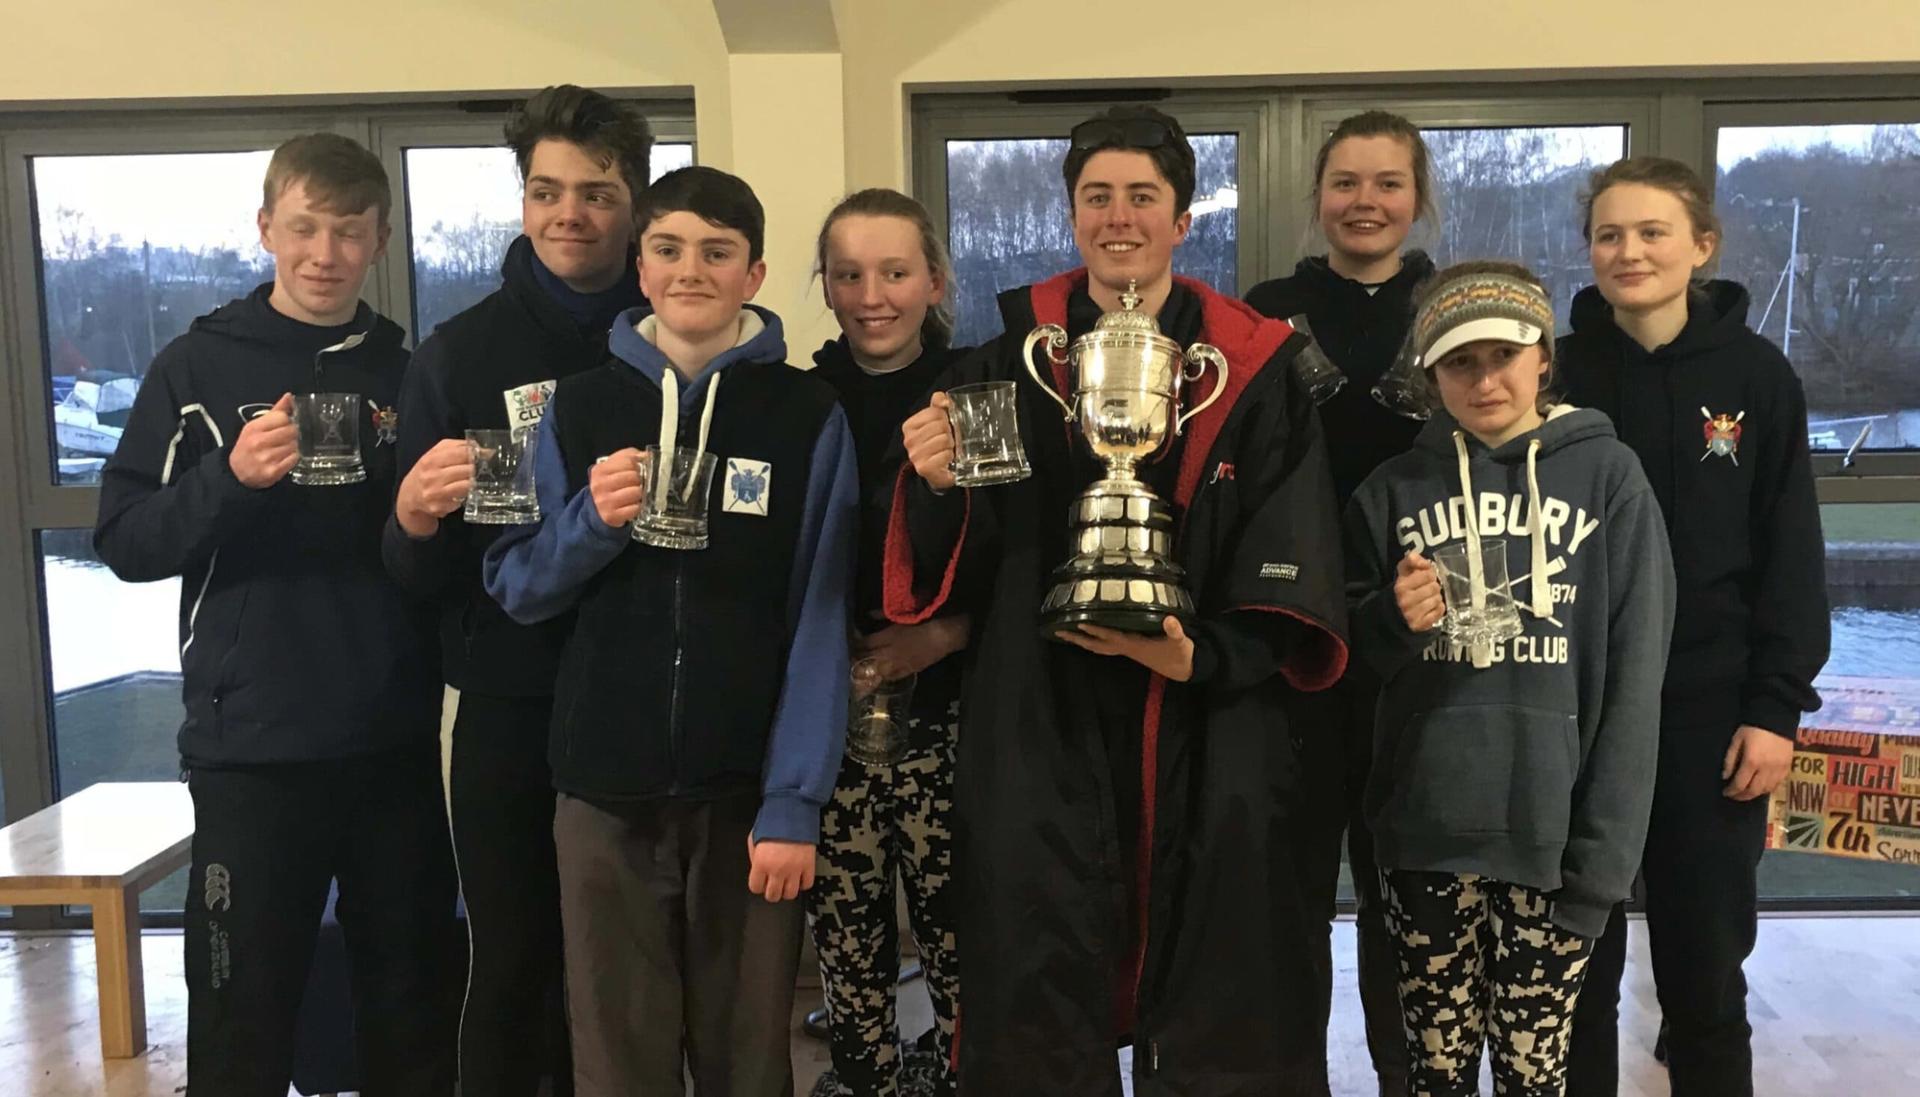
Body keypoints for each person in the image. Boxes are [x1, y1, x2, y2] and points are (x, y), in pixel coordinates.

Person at [888, 104, 1348, 1095]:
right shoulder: (1005, 363)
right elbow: (958, 565)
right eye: (1097, 196)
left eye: (1143, 196)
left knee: (1229, 984)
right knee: (1040, 979)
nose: (1119, 216)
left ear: (1183, 219)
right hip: (1040, 713)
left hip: (1209, 717)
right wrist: (932, 484)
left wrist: (1204, 655)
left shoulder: (1255, 367)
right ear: (1071, 214)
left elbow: (1292, 538)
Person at [483, 165, 859, 1097]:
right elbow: (518, 587)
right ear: (640, 270)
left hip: (745, 802)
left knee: (747, 1060)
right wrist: (589, 526)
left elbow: (821, 617)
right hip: (602, 793)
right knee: (616, 1058)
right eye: (668, 249)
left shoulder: (808, 415)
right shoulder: (573, 407)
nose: (692, 270)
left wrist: (794, 802)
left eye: (717, 252)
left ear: (755, 274)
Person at [93, 133, 456, 1095]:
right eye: (304, 227)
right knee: (239, 1011)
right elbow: (125, 539)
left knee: (411, 1005)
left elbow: (434, 557)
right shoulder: (193, 367)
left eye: (348, 231)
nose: (324, 251)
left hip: (392, 739)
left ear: (379, 239)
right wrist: (231, 479)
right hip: (250, 747)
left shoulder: (411, 372)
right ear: (266, 229)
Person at [1345, 260, 1675, 1096]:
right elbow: (1341, 661)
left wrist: (1601, 863)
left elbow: (1635, 684)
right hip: (1423, 839)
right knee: (1433, 1075)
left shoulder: (1611, 480)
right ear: (1430, 374)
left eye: (1504, 354)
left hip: (1552, 843)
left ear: (1543, 358)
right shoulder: (1390, 491)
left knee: (1536, 1075)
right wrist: (1393, 618)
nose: (1485, 379)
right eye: (1460, 361)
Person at [383, 84, 653, 1097]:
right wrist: (411, 515)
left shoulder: (674, 344)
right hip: (507, 703)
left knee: (631, 968)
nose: (569, 214)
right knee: (513, 959)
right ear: (523, 197)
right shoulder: (461, 353)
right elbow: (415, 572)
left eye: (596, 192)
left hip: (642, 700)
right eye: (547, 191)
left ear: (635, 201)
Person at [1560, 157, 1831, 1097]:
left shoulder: (1758, 377)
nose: (1628, 251)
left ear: (1701, 246)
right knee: (1574, 977)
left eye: (1651, 232)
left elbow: (1790, 555)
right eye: (1608, 234)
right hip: (1577, 715)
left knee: (1705, 973)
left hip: (1711, 715)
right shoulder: (1555, 372)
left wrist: (1777, 709)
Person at [1242, 108, 1437, 1095]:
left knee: (1408, 893)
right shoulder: (1265, 309)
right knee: (1290, 896)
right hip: (1300, 646)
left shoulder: (1455, 307)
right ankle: (1292, 1079)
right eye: (1347, 182)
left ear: (1418, 197)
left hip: (1426, 648)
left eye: (1388, 182)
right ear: (1317, 195)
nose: (1366, 201)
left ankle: (1408, 1077)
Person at [805, 188, 969, 1097]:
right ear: (824, 286)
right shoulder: (796, 400)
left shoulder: (980, 390)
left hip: (952, 714)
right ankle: (862, 1075)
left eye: (896, 272)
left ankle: (957, 1072)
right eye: (849, 273)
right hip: (831, 720)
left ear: (933, 280)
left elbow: (1021, 554)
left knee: (957, 934)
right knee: (847, 933)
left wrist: (942, 635)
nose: (873, 293)